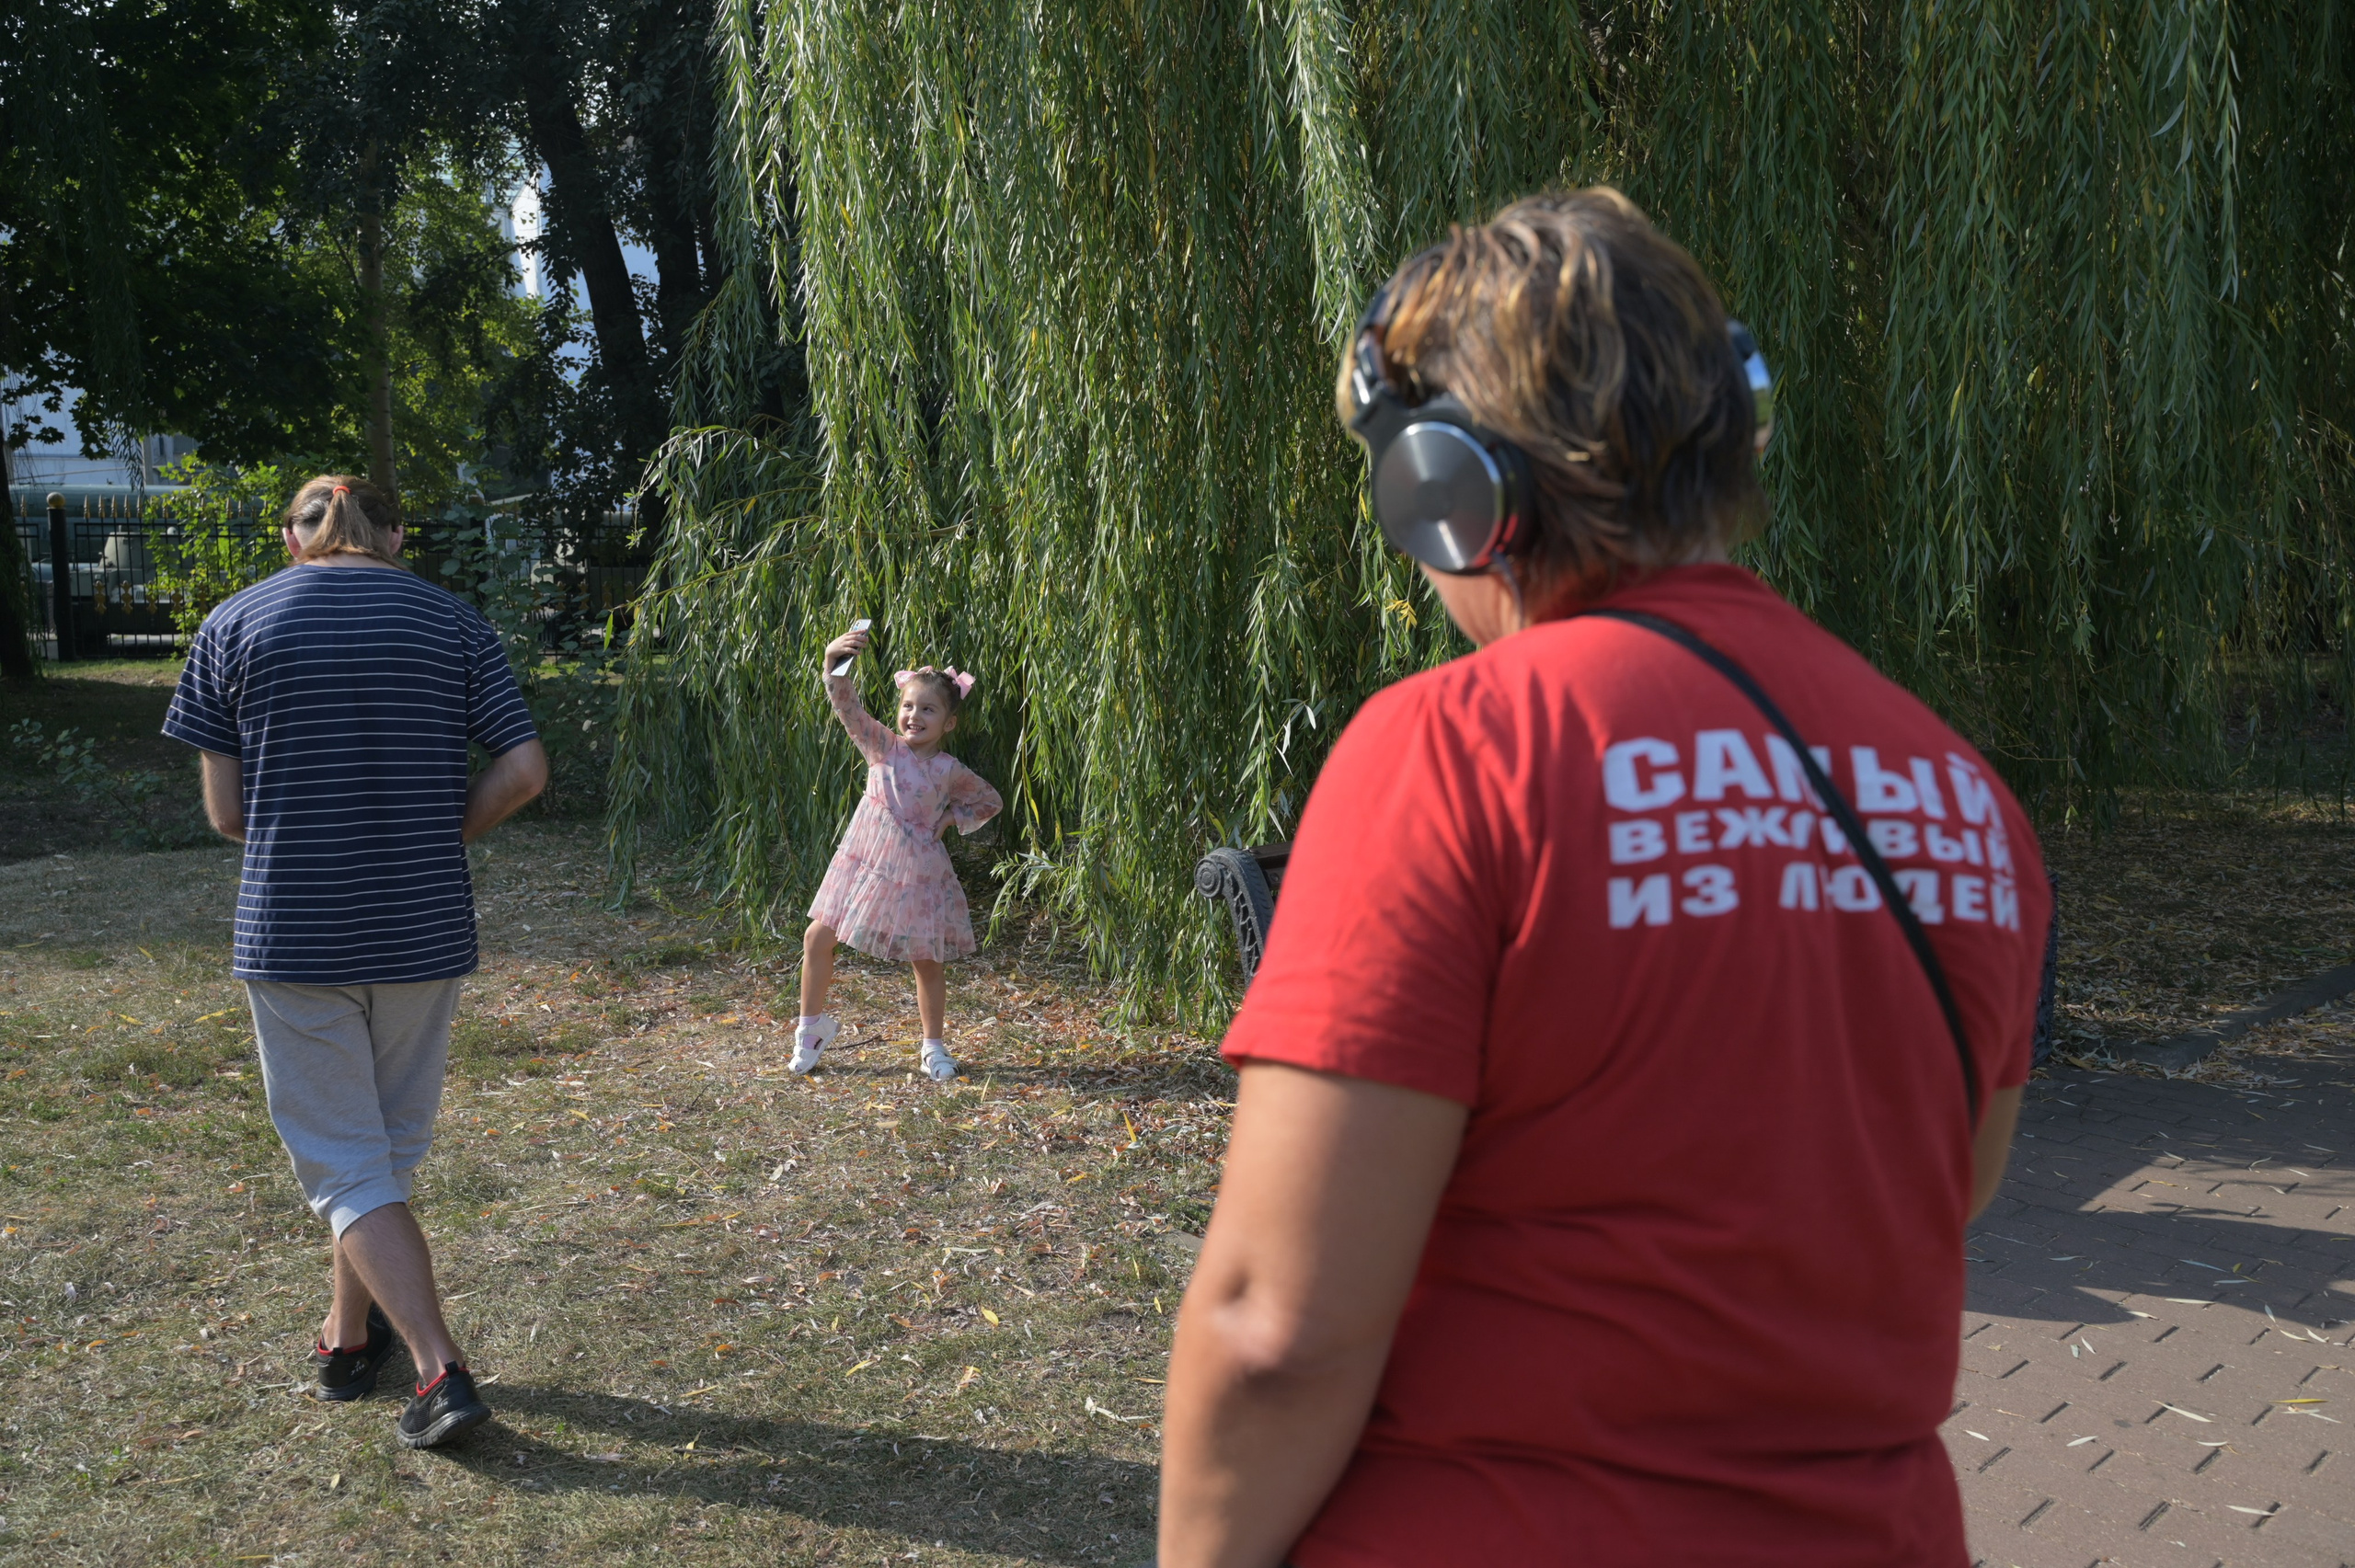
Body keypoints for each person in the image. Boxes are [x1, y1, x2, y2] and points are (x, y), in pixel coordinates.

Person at [1158, 189, 2052, 1566]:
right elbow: (1951, 1183)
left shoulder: (1454, 755)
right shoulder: (1964, 796)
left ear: (1452, 495)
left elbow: (1280, 1331)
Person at [163, 475, 547, 1450]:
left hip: (294, 928)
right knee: (376, 1152)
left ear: (293, 538)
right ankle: (347, 1339)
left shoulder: (235, 621)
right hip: (421, 929)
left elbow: (224, 815)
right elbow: (525, 770)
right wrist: (439, 834)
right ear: (398, 535)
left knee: (346, 1160)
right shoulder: (451, 621)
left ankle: (436, 1366)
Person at [791, 624, 1002, 1082]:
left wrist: (951, 820)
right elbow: (845, 702)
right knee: (817, 937)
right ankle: (811, 1030)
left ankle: (933, 1046)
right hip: (865, 863)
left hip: (918, 871)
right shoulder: (882, 747)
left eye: (927, 709)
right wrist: (834, 660)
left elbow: (989, 800)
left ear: (949, 722)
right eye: (907, 706)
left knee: (926, 959)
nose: (914, 716)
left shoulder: (949, 770)